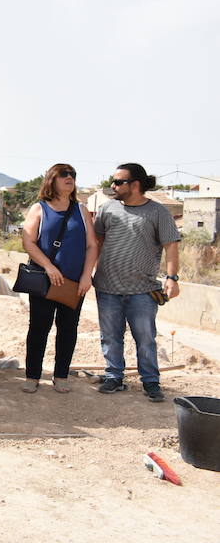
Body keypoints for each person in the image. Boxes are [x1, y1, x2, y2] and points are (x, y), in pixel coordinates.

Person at [94, 163, 180, 402]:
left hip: (143, 290)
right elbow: (96, 243)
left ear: (135, 185)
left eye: (118, 182)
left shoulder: (158, 212)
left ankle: (151, 382)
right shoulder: (107, 209)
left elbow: (171, 245)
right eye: (113, 181)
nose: (113, 186)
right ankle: (114, 377)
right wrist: (86, 273)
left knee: (145, 338)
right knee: (110, 336)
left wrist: (172, 278)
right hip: (107, 287)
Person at [20, 164, 98, 393]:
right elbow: (28, 242)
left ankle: (61, 376)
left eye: (73, 175)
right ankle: (32, 375)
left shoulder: (81, 211)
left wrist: (87, 276)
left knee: (68, 329)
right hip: (44, 281)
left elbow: (92, 245)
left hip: (73, 283)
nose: (69, 178)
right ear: (51, 180)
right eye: (64, 175)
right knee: (38, 329)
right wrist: (49, 267)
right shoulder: (39, 208)